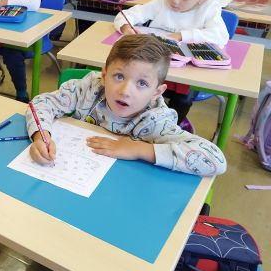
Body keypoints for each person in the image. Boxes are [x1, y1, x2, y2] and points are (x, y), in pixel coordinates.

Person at [27, 34, 226, 176]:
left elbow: (216, 160)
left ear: (156, 92)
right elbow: (41, 103)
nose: (125, 91)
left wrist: (137, 149)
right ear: (104, 75)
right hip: (73, 172)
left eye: (142, 83)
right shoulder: (89, 89)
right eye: (119, 76)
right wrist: (41, 136)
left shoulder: (156, 121)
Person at [113, 0, 228, 127]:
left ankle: (170, 126)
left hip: (187, 75)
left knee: (182, 99)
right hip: (154, 70)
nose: (175, 1)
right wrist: (126, 28)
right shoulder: (161, 3)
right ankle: (140, 125)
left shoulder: (209, 8)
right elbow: (125, 15)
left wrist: (181, 35)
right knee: (138, 89)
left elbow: (220, 36)